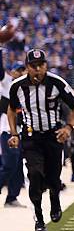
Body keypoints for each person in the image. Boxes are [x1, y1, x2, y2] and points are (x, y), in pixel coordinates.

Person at [7, 49, 74, 231]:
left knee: (53, 178)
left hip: (53, 136)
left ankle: (55, 197)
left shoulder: (56, 83)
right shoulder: (17, 86)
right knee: (34, 175)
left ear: (46, 65)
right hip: (31, 138)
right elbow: (11, 110)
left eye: (41, 65)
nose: (38, 70)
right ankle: (39, 220)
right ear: (27, 67)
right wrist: (14, 133)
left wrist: (68, 128)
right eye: (34, 66)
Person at [0, 50, 25, 207]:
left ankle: (12, 197)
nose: (20, 73)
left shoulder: (25, 86)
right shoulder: (6, 82)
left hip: (20, 130)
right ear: (12, 72)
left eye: (22, 70)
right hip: (7, 130)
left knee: (17, 165)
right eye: (17, 70)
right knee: (10, 163)